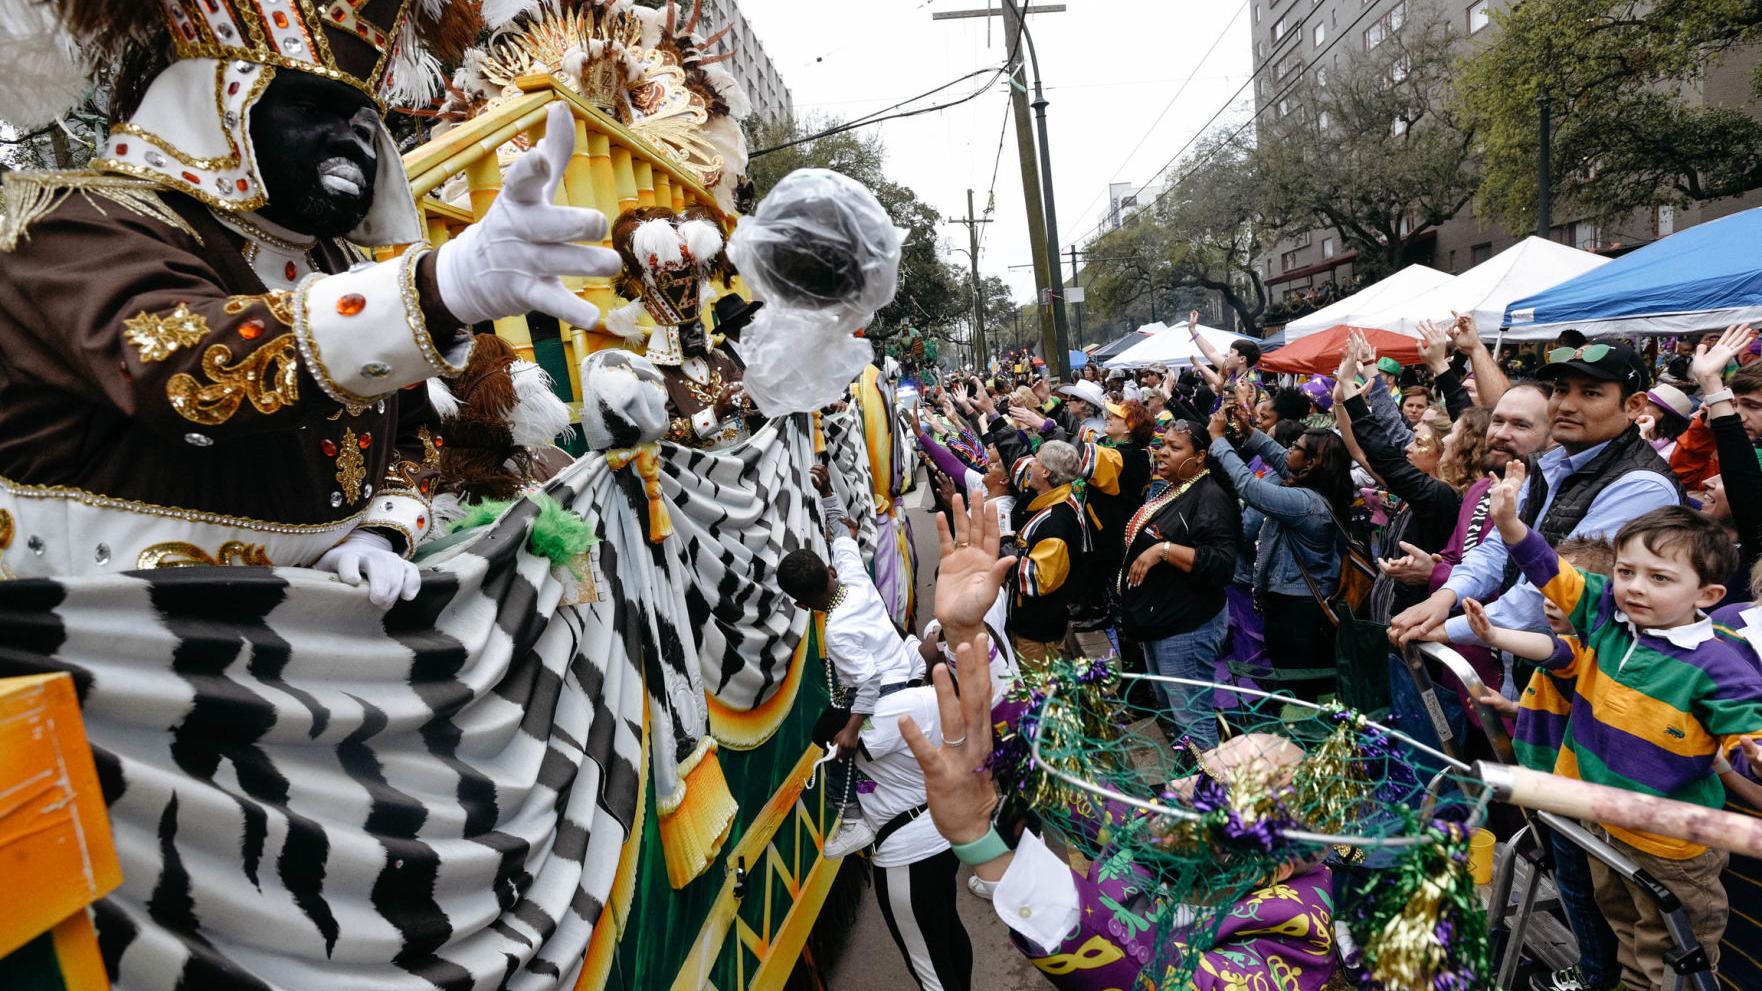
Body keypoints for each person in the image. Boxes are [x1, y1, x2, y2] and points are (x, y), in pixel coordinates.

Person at [0, 11, 613, 604]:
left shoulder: (338, 264)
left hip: (315, 636)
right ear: (213, 110)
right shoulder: (77, 226)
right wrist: (436, 288)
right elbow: (191, 371)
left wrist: (377, 529)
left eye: (363, 123)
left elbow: (411, 436)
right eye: (310, 109)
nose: (352, 141)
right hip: (93, 653)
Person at [1486, 463, 1762, 991]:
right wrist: (1511, 525)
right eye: (1626, 571)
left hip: (1670, 847)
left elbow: (1745, 730)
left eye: (1660, 578)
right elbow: (1553, 571)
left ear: (1707, 596)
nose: (1634, 588)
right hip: (1603, 825)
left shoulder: (1718, 662)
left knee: (1674, 956)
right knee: (1625, 932)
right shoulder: (1610, 617)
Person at [780, 467, 973, 990]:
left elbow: (863, 685)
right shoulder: (855, 579)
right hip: (922, 704)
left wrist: (851, 731)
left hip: (888, 725)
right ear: (827, 572)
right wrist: (825, 494)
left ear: (802, 604)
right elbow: (842, 533)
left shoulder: (837, 629)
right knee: (948, 931)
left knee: (931, 967)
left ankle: (854, 816)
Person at [1391, 343, 1683, 649]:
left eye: (1590, 393)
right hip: (1521, 662)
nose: (1567, 405)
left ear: (1634, 406)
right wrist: (1444, 597)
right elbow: (1497, 551)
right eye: (1561, 390)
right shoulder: (1551, 464)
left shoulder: (1642, 486)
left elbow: (1558, 591)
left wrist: (1449, 629)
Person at [1464, 536, 1624, 991]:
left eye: (1565, 593)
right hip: (1549, 789)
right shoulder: (1574, 648)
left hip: (1566, 795)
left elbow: (1553, 655)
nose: (1551, 603)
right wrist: (1516, 708)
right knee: (1571, 879)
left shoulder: (1582, 652)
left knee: (1577, 887)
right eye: (1547, 592)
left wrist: (1493, 636)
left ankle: (1596, 973)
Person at [1208, 413, 1355, 701]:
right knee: (1298, 681)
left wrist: (1218, 440)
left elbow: (1249, 488)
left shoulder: (1306, 502)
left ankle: (1302, 734)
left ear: (1311, 462)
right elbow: (1280, 458)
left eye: (1295, 447)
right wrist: (1251, 433)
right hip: (1298, 603)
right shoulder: (1318, 487)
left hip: (1297, 611)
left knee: (1297, 686)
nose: (1287, 451)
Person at [1119, 419, 1240, 747]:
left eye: (1175, 448)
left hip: (1187, 628)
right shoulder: (1175, 488)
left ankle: (1208, 792)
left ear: (1199, 456)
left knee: (1193, 721)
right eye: (1163, 445)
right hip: (1162, 623)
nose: (1163, 453)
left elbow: (1221, 564)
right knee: (1176, 714)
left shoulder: (1210, 497)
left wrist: (1164, 550)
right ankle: (1190, 783)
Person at [1007, 440, 1090, 668]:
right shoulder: (1055, 499)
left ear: (1045, 472)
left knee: (1041, 693)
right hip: (1036, 623)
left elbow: (1038, 580)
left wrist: (1007, 552)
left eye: (1036, 459)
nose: (1030, 463)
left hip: (1038, 631)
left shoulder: (1056, 524)